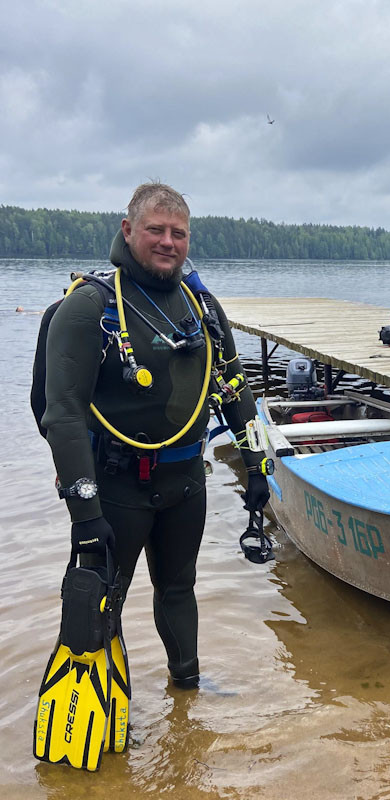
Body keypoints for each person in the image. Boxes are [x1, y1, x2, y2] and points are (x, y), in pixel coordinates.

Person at [40, 182, 270, 688]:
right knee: (105, 597)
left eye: (178, 233)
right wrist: (85, 513)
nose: (168, 242)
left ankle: (186, 693)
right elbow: (62, 416)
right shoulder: (90, 308)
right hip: (117, 486)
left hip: (186, 482)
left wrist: (258, 467)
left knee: (179, 589)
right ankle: (100, 707)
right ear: (128, 231)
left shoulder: (203, 308)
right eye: (155, 230)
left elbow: (233, 385)